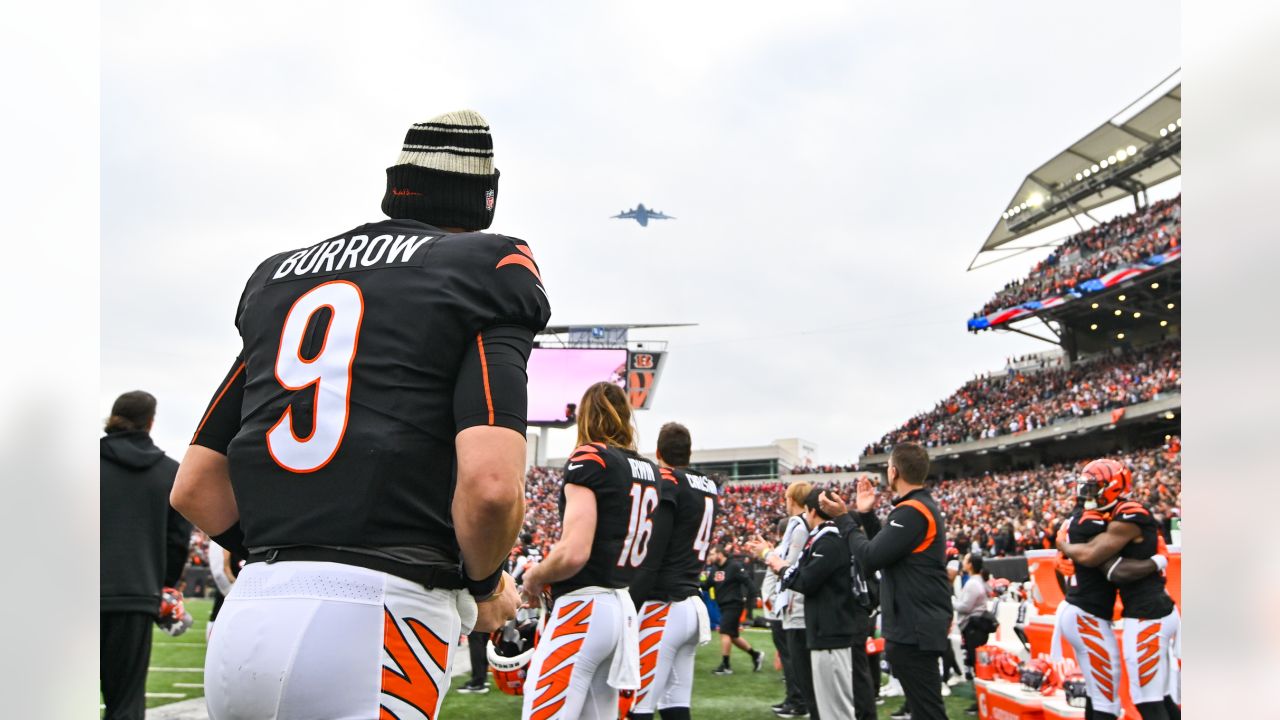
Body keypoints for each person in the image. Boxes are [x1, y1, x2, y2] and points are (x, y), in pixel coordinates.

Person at [171, 110, 541, 720]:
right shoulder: (488, 267)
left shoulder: (278, 277)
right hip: (378, 618)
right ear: (486, 199)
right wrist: (484, 585)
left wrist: (276, 551)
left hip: (247, 618)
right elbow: (493, 487)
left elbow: (195, 486)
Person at [517, 382, 660, 720]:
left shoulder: (591, 458)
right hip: (619, 608)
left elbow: (573, 554)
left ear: (585, 418)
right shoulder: (646, 469)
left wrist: (533, 578)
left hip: (584, 608)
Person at [821, 443, 951, 720]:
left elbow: (870, 557)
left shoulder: (913, 510)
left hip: (915, 627)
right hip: (916, 624)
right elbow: (888, 548)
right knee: (924, 709)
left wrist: (845, 519)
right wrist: (867, 516)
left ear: (893, 471)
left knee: (928, 711)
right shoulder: (916, 508)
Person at [1057, 458, 1181, 720]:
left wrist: (1064, 547)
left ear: (1112, 486)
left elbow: (1103, 563)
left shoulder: (1125, 514)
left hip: (1147, 615)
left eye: (1094, 487)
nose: (1086, 493)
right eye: (1086, 486)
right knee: (1131, 700)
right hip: (1133, 611)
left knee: (1143, 702)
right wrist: (1157, 560)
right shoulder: (1101, 517)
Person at [101, 391, 193, 720]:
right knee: (126, 701)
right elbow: (177, 539)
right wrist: (163, 584)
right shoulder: (169, 472)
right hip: (136, 594)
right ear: (150, 423)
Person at [627, 421, 719, 720]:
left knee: (638, 707)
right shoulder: (706, 485)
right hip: (691, 605)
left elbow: (653, 554)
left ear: (657, 452)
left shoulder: (669, 482)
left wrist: (631, 606)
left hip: (663, 606)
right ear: (688, 453)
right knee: (675, 704)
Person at [770, 488, 857, 719]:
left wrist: (779, 566)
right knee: (826, 705)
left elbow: (807, 581)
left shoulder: (828, 540)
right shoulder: (829, 538)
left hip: (830, 632)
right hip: (827, 630)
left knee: (834, 709)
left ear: (811, 511)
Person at [746, 481, 812, 718]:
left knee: (794, 656)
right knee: (790, 655)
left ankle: (799, 701)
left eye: (786, 497)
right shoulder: (797, 525)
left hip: (794, 602)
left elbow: (788, 565)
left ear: (793, 499)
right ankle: (794, 698)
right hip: (789, 601)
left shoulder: (800, 526)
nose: (784, 501)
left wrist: (766, 554)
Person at [703, 546, 765, 675]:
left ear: (720, 554)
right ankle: (756, 655)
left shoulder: (734, 566)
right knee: (733, 636)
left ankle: (726, 665)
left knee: (724, 632)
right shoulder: (715, 569)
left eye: (713, 554)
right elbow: (707, 585)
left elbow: (748, 582)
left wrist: (752, 598)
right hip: (723, 606)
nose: (710, 557)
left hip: (734, 604)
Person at [952, 554, 991, 716]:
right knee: (975, 665)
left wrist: (951, 600)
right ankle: (980, 700)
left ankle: (980, 701)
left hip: (973, 628)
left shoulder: (973, 583)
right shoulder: (977, 581)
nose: (963, 562)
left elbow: (965, 607)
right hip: (975, 627)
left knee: (976, 665)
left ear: (970, 564)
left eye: (966, 560)